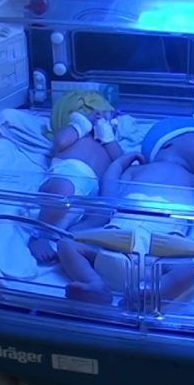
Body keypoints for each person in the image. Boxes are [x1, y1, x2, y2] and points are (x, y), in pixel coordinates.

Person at [57, 117, 194, 304]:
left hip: (159, 254)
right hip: (113, 240)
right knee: (66, 243)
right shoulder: (137, 170)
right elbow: (109, 195)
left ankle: (148, 295)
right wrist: (119, 164)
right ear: (167, 143)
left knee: (188, 270)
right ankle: (94, 283)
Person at [29, 91, 124, 264]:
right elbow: (60, 142)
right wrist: (81, 123)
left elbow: (120, 161)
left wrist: (108, 136)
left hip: (89, 197)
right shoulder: (73, 135)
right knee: (64, 190)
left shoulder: (105, 142)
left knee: (104, 213)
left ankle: (70, 241)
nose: (98, 117)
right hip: (66, 178)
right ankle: (39, 235)